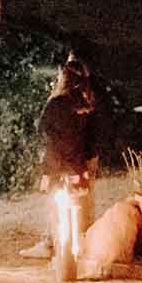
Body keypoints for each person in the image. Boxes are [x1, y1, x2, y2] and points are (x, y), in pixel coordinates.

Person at [21, 58, 98, 259]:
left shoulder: (54, 104)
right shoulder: (87, 106)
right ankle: (84, 241)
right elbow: (93, 141)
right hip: (78, 167)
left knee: (52, 202)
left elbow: (42, 132)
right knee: (83, 201)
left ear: (63, 78)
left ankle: (48, 242)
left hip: (55, 166)